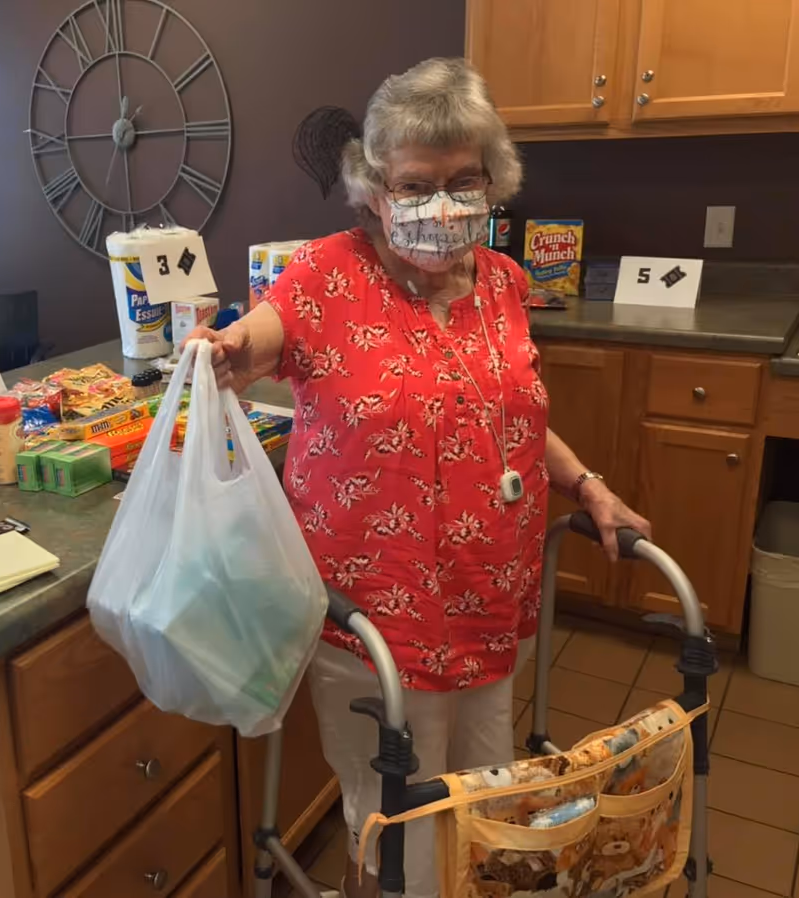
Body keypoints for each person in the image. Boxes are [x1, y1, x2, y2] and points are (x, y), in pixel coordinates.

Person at [187, 58, 651, 898]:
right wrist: (228, 351)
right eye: (415, 184)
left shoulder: (505, 284)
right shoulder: (328, 275)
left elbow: (515, 414)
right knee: (396, 832)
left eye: (463, 181)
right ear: (373, 187)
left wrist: (588, 485)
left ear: (492, 182)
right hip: (377, 620)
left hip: (490, 602)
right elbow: (258, 337)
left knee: (488, 808)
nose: (441, 205)